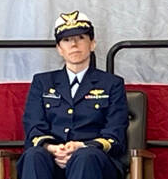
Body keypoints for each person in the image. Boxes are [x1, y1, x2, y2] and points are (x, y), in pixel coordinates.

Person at [17, 11, 129, 179]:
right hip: (51, 160)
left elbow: (115, 135)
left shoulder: (112, 84)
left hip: (94, 161)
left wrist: (81, 146)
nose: (74, 44)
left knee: (85, 156)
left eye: (80, 38)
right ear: (59, 49)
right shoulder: (42, 82)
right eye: (67, 40)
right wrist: (53, 149)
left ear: (92, 44)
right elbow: (34, 127)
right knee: (34, 155)